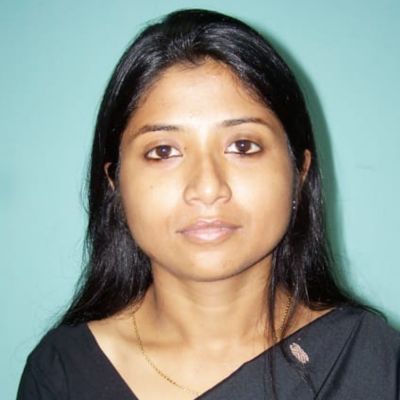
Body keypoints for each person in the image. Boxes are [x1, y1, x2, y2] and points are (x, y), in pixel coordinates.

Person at [17, 9, 399, 400]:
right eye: (163, 151)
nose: (207, 187)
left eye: (243, 146)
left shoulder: (372, 361)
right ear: (115, 181)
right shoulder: (61, 374)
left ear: (299, 170)